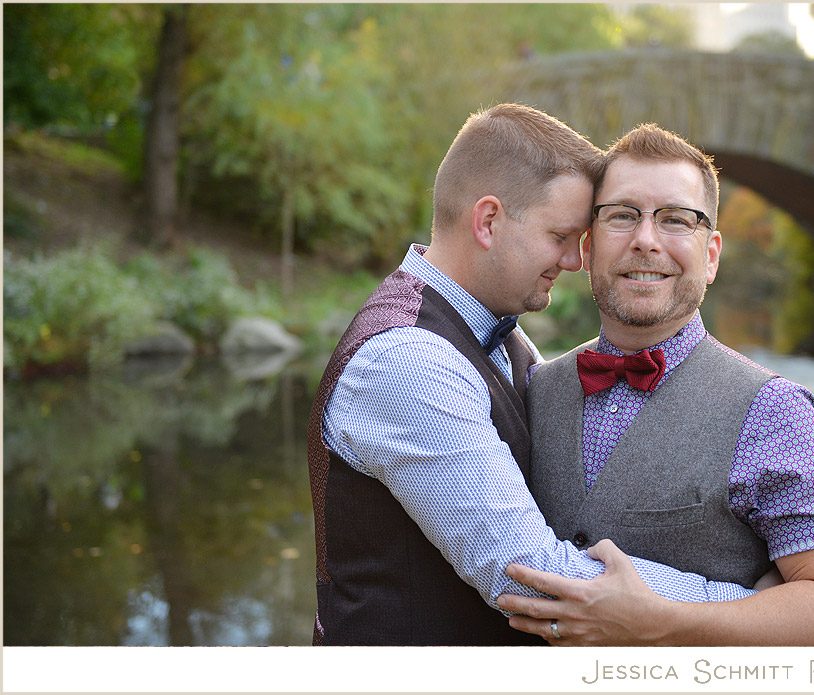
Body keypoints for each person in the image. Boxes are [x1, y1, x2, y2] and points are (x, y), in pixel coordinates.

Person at [306, 105, 765, 647]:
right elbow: (532, 576)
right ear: (488, 221)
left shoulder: (504, 338)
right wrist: (749, 606)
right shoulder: (406, 360)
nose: (575, 260)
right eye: (560, 235)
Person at [496, 123, 814, 646]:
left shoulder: (775, 412)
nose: (646, 240)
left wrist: (664, 623)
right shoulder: (532, 388)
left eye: (676, 220)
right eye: (622, 216)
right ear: (586, 248)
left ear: (713, 254)